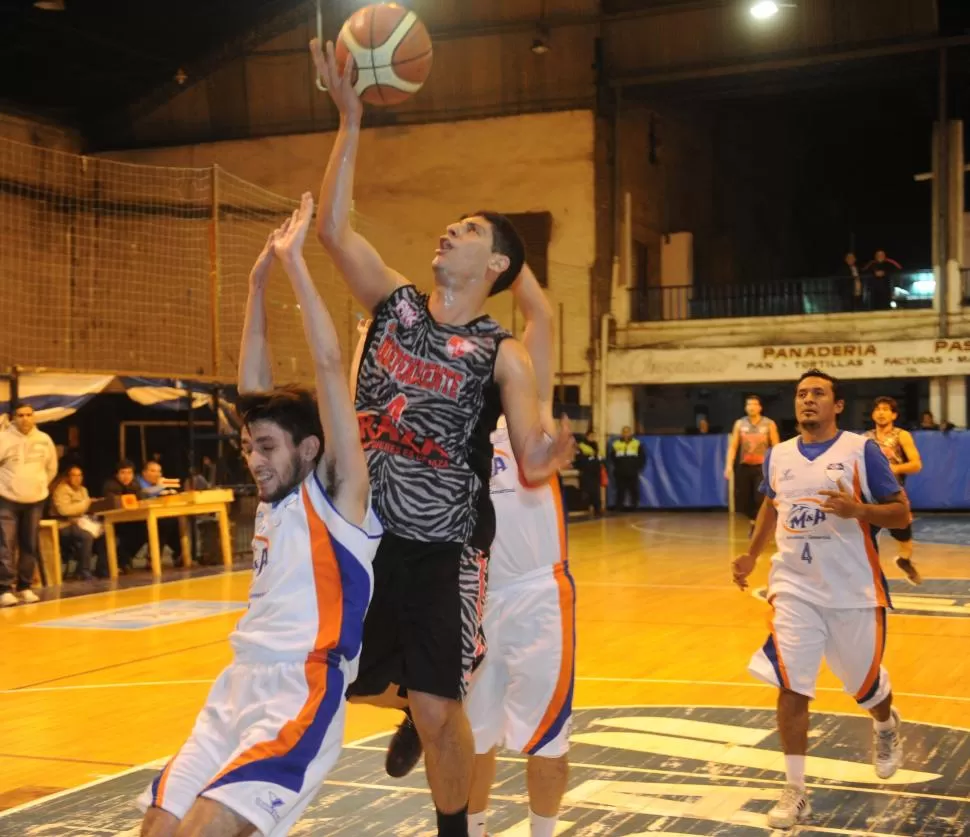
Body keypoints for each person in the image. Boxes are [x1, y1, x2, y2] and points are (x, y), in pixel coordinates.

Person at [311, 39, 575, 837]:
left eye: (465, 229)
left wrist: (547, 451)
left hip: (440, 544)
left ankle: (452, 820)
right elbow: (331, 229)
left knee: (437, 706)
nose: (447, 232)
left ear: (494, 261)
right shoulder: (392, 304)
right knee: (332, 676)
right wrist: (350, 118)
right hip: (359, 530)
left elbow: (528, 453)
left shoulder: (504, 351)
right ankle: (413, 698)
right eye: (449, 224)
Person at [138, 193, 381, 837]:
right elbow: (251, 388)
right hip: (235, 686)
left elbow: (329, 368)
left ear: (310, 448)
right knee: (160, 828)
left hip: (299, 690)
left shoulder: (339, 493)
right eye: (248, 448)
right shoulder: (277, 494)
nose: (253, 460)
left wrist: (298, 263)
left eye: (266, 448)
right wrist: (256, 283)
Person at [731, 370, 909, 830]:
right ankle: (795, 790)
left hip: (852, 589)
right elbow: (772, 505)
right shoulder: (779, 454)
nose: (807, 400)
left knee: (863, 684)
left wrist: (859, 511)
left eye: (818, 394)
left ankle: (886, 724)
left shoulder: (860, 450)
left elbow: (901, 511)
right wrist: (751, 555)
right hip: (794, 586)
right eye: (801, 394)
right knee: (792, 684)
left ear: (838, 405)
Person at [464, 266, 575, 837]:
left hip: (537, 593)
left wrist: (503, 257)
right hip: (471, 596)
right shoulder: (454, 436)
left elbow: (542, 315)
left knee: (547, 731)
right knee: (475, 733)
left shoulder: (525, 423)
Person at [0, 404, 57, 606]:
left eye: (28, 415)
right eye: (20, 415)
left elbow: (51, 468)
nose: (25, 419)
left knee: (29, 544)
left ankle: (24, 587)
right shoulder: (3, 438)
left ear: (34, 417)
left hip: (35, 500)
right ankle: (5, 589)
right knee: (6, 544)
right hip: (6, 499)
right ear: (13, 417)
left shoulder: (44, 440)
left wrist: (39, 486)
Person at [866, 397, 923, 585]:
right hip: (869, 494)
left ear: (894, 415)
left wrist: (894, 469)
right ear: (873, 414)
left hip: (892, 493)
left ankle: (904, 560)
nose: (881, 412)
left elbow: (916, 464)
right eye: (878, 409)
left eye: (885, 409)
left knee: (904, 536)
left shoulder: (901, 435)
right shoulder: (865, 438)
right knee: (864, 535)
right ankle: (865, 573)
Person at [724, 395, 780, 534]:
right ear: (745, 407)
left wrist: (778, 466)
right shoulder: (740, 424)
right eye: (748, 404)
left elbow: (776, 446)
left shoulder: (769, 424)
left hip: (762, 467)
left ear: (760, 407)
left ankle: (760, 527)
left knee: (759, 498)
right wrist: (729, 465)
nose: (751, 407)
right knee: (745, 499)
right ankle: (754, 522)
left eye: (754, 404)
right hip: (744, 467)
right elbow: (733, 446)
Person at [609, 426, 644, 511]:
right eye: (624, 432)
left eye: (627, 432)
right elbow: (612, 457)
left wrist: (637, 467)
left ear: (631, 433)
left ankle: (635, 506)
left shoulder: (637, 443)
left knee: (634, 490)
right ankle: (619, 507)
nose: (626, 434)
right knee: (620, 490)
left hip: (632, 471)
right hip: (620, 472)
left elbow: (642, 457)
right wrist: (617, 467)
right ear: (622, 433)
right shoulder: (616, 444)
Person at [575, 429, 602, 516]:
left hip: (595, 472)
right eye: (591, 436)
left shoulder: (596, 446)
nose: (593, 438)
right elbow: (580, 459)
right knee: (586, 491)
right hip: (586, 472)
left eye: (594, 436)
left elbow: (599, 458)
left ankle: (597, 509)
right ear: (587, 436)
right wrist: (591, 459)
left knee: (596, 492)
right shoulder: (581, 446)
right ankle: (585, 508)